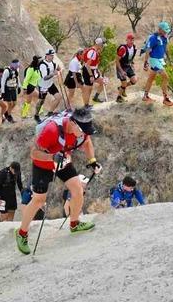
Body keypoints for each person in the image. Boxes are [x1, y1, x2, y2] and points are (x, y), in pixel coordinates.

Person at [15, 108, 100, 255]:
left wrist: (92, 161)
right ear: (73, 123)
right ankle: (22, 233)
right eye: (83, 131)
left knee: (78, 190)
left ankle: (74, 224)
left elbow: (87, 143)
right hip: (43, 164)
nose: (85, 134)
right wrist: (52, 158)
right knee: (39, 200)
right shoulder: (52, 130)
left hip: (63, 161)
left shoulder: (81, 132)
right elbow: (34, 153)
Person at [141, 22, 173, 107]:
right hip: (154, 60)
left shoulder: (165, 38)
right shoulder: (153, 38)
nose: (166, 32)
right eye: (165, 30)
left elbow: (166, 50)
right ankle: (165, 99)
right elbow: (148, 50)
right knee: (165, 76)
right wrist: (146, 62)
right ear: (160, 29)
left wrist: (170, 61)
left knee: (151, 78)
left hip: (160, 60)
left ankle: (145, 96)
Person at [34, 49, 63, 123]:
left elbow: (57, 67)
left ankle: (50, 113)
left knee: (58, 97)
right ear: (47, 55)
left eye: (53, 55)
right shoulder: (42, 65)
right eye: (51, 55)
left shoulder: (53, 63)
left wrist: (58, 69)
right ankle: (36, 115)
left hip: (50, 84)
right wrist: (54, 73)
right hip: (43, 85)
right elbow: (45, 77)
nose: (52, 57)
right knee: (41, 101)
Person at [81, 38, 107, 107]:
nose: (102, 46)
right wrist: (91, 76)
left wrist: (97, 71)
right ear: (98, 44)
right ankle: (86, 105)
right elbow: (87, 65)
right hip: (88, 71)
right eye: (102, 45)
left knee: (102, 82)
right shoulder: (92, 52)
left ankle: (95, 98)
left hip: (93, 70)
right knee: (88, 88)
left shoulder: (95, 51)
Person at [115, 33, 137, 103]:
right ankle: (119, 98)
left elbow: (130, 57)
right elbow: (117, 60)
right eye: (130, 40)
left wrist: (132, 64)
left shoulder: (134, 47)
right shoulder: (123, 49)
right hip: (120, 66)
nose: (131, 41)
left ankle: (121, 88)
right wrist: (121, 71)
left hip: (127, 65)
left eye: (133, 40)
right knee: (124, 83)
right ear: (126, 40)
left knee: (134, 80)